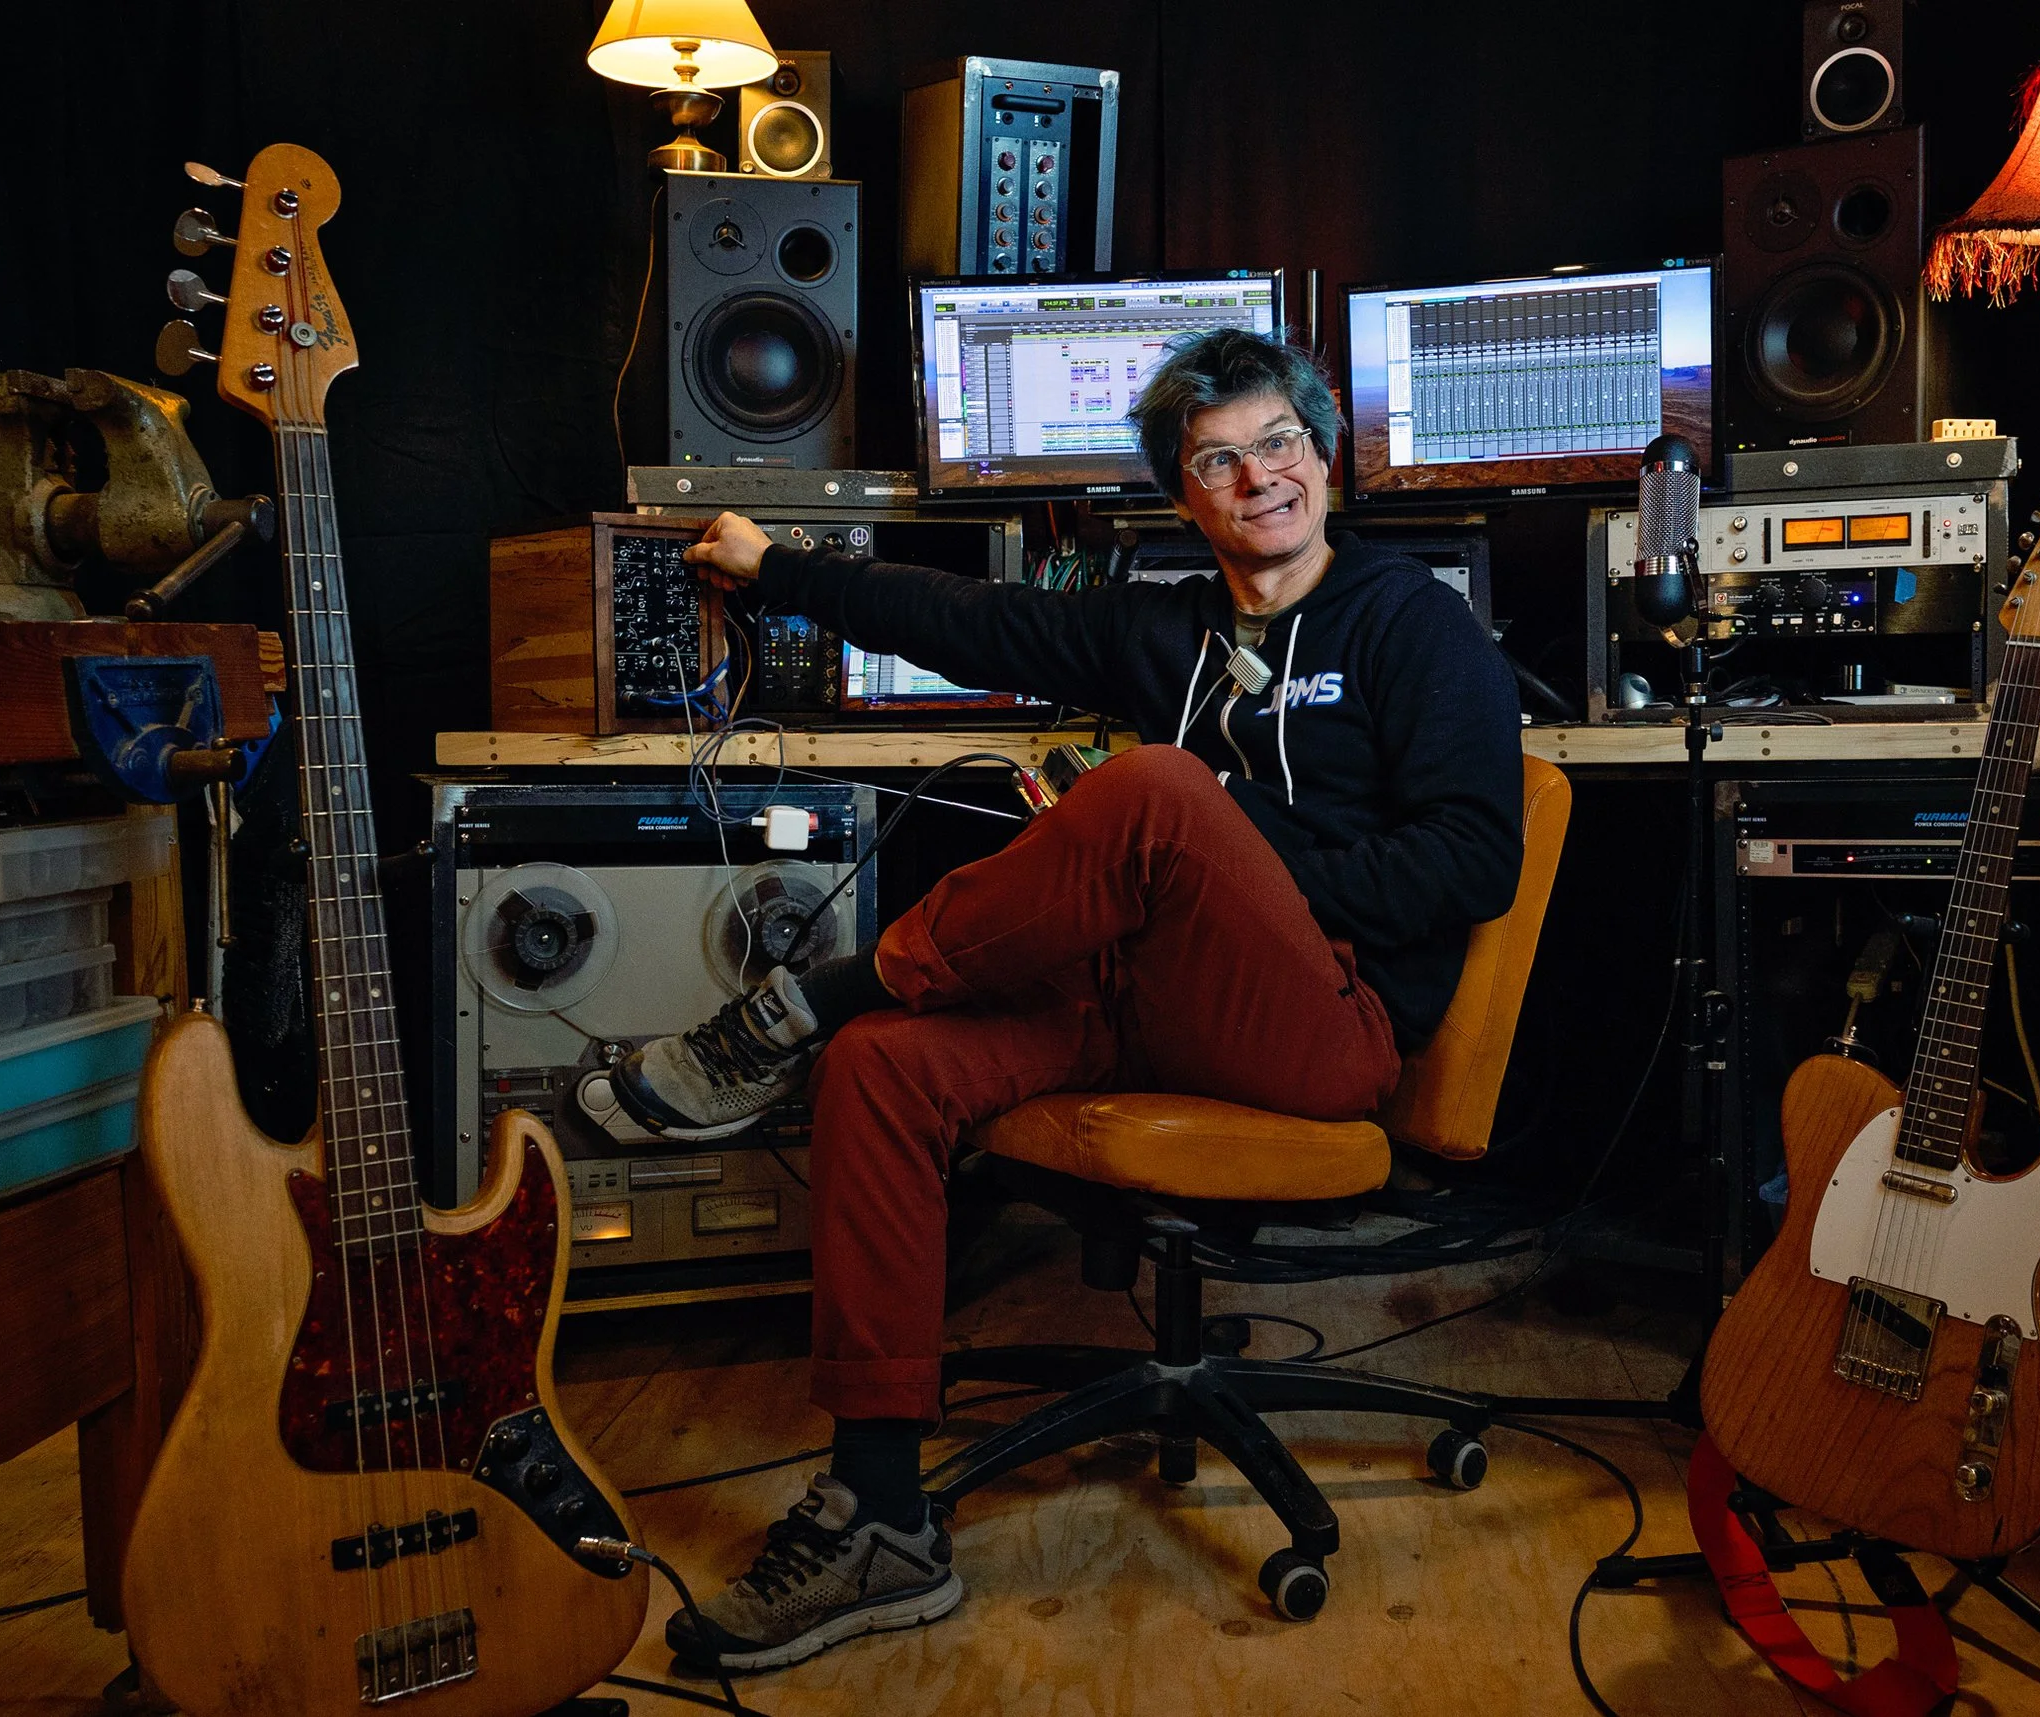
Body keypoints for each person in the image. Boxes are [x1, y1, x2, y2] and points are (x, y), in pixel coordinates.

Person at [613, 327, 1523, 1672]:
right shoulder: (1169, 631)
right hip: (1157, 1001)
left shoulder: (1412, 624)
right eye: (1218, 461)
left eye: (1279, 443)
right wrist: (777, 568)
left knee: (1157, 791)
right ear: (1183, 495)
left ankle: (801, 1004)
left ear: (1325, 456)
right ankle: (878, 1510)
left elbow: (1472, 860)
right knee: (884, 1067)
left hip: (1329, 1026)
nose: (1259, 477)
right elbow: (970, 621)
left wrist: (1237, 864)